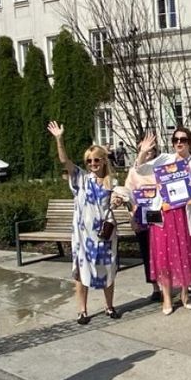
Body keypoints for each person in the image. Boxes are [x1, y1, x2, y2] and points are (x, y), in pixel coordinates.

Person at [46, 121, 122, 323]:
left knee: (108, 269)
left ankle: (109, 306)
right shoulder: (81, 178)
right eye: (89, 161)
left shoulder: (112, 182)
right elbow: (65, 161)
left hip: (105, 234)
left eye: (96, 160)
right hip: (84, 236)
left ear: (104, 161)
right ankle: (82, 310)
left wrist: (118, 199)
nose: (93, 164)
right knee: (82, 271)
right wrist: (59, 139)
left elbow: (120, 200)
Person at [141, 128, 191, 315]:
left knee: (185, 254)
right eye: (175, 139)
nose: (178, 142)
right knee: (164, 256)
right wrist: (143, 152)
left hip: (184, 214)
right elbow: (141, 169)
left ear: (190, 142)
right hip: (164, 213)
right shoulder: (164, 159)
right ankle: (167, 296)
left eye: (183, 139)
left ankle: (185, 293)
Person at [125, 132, 161, 304]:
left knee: (162, 251)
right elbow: (127, 196)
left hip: (159, 214)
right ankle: (155, 287)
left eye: (151, 150)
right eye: (144, 150)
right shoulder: (133, 172)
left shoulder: (159, 168)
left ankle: (170, 283)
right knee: (148, 253)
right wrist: (132, 219)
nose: (148, 153)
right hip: (141, 214)